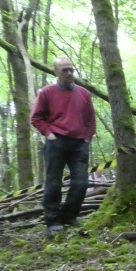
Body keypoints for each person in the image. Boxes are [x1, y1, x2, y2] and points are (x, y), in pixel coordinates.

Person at [31, 56, 96, 233]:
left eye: (71, 70)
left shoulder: (83, 93)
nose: (69, 73)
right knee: (53, 182)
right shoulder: (47, 92)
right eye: (64, 70)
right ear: (56, 72)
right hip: (56, 142)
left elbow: (91, 119)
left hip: (79, 143)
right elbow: (36, 118)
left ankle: (69, 216)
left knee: (81, 182)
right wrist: (50, 135)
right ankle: (52, 220)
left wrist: (87, 139)